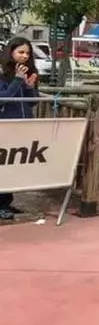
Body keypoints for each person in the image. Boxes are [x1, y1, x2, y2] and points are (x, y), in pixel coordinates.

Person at [0, 36, 40, 220]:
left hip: (23, 126)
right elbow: (4, 98)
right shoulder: (2, 74)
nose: (25, 56)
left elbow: (32, 102)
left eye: (28, 53)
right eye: (21, 52)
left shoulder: (28, 72)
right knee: (3, 165)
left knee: (15, 166)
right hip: (5, 125)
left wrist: (30, 87)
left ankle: (6, 202)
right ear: (11, 52)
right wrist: (17, 80)